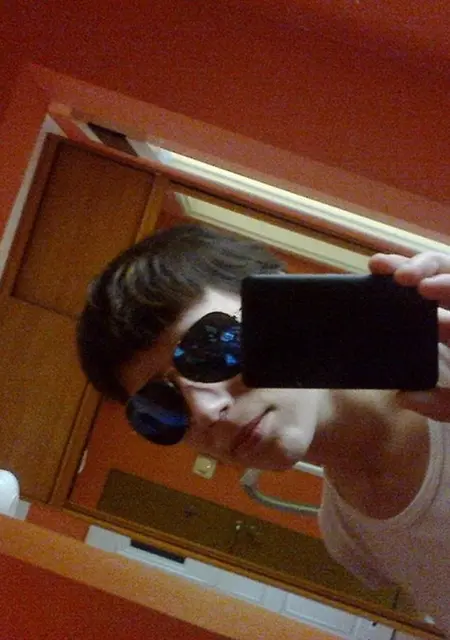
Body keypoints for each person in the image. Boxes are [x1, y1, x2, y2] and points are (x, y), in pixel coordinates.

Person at [77, 224, 450, 636]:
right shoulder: (348, 537)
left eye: (210, 349)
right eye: (160, 406)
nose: (206, 410)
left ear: (285, 310)